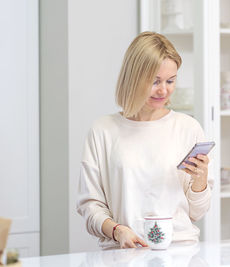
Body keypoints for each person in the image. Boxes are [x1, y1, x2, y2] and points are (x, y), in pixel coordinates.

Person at [76, 31, 213, 249]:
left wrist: (201, 180)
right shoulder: (103, 130)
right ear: (133, 78)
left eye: (170, 80)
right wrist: (117, 230)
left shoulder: (188, 127)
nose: (163, 90)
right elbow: (89, 205)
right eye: (154, 81)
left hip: (181, 252)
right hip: (122, 253)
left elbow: (198, 213)